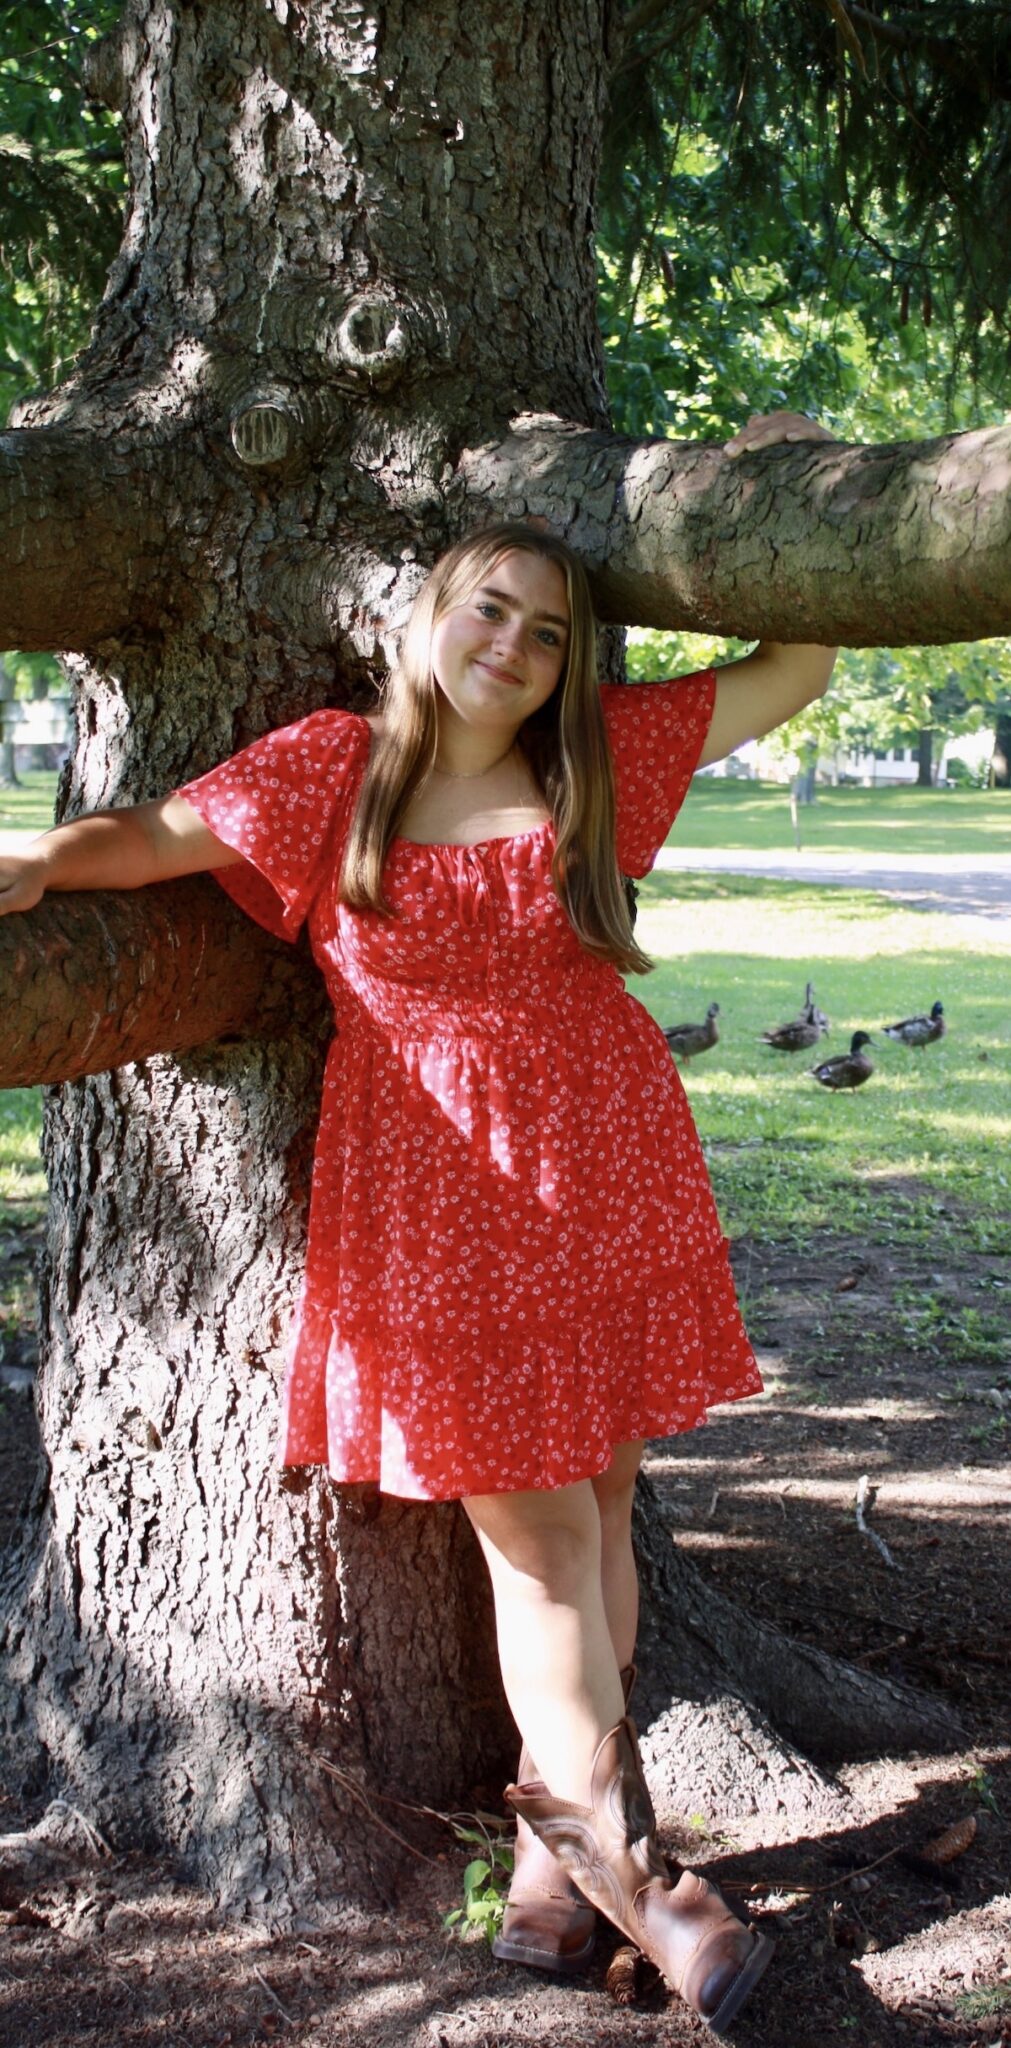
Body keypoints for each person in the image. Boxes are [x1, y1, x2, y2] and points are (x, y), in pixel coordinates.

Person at [0, 410, 836, 2032]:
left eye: (546, 629)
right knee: (535, 1553)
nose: (514, 646)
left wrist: (777, 488)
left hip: (608, 1166)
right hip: (436, 1205)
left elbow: (794, 670)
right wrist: (38, 856)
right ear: (424, 616)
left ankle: (548, 1879)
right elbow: (156, 839)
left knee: (599, 1509)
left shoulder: (592, 752)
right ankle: (650, 1888)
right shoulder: (333, 772)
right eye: (488, 610)